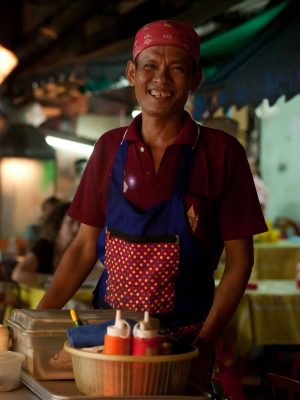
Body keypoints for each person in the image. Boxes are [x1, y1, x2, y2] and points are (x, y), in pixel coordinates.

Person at [37, 20, 267, 391]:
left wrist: (203, 345)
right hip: (108, 339)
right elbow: (82, 248)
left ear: (195, 78)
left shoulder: (222, 153)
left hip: (183, 345)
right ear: (132, 72)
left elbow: (240, 262)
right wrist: (35, 321)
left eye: (176, 68)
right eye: (149, 66)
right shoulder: (109, 149)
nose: (161, 79)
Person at [12, 202, 79, 284]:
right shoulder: (44, 246)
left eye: (79, 224)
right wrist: (50, 279)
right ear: (58, 224)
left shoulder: (75, 251)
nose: (76, 228)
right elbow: (17, 274)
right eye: (71, 222)